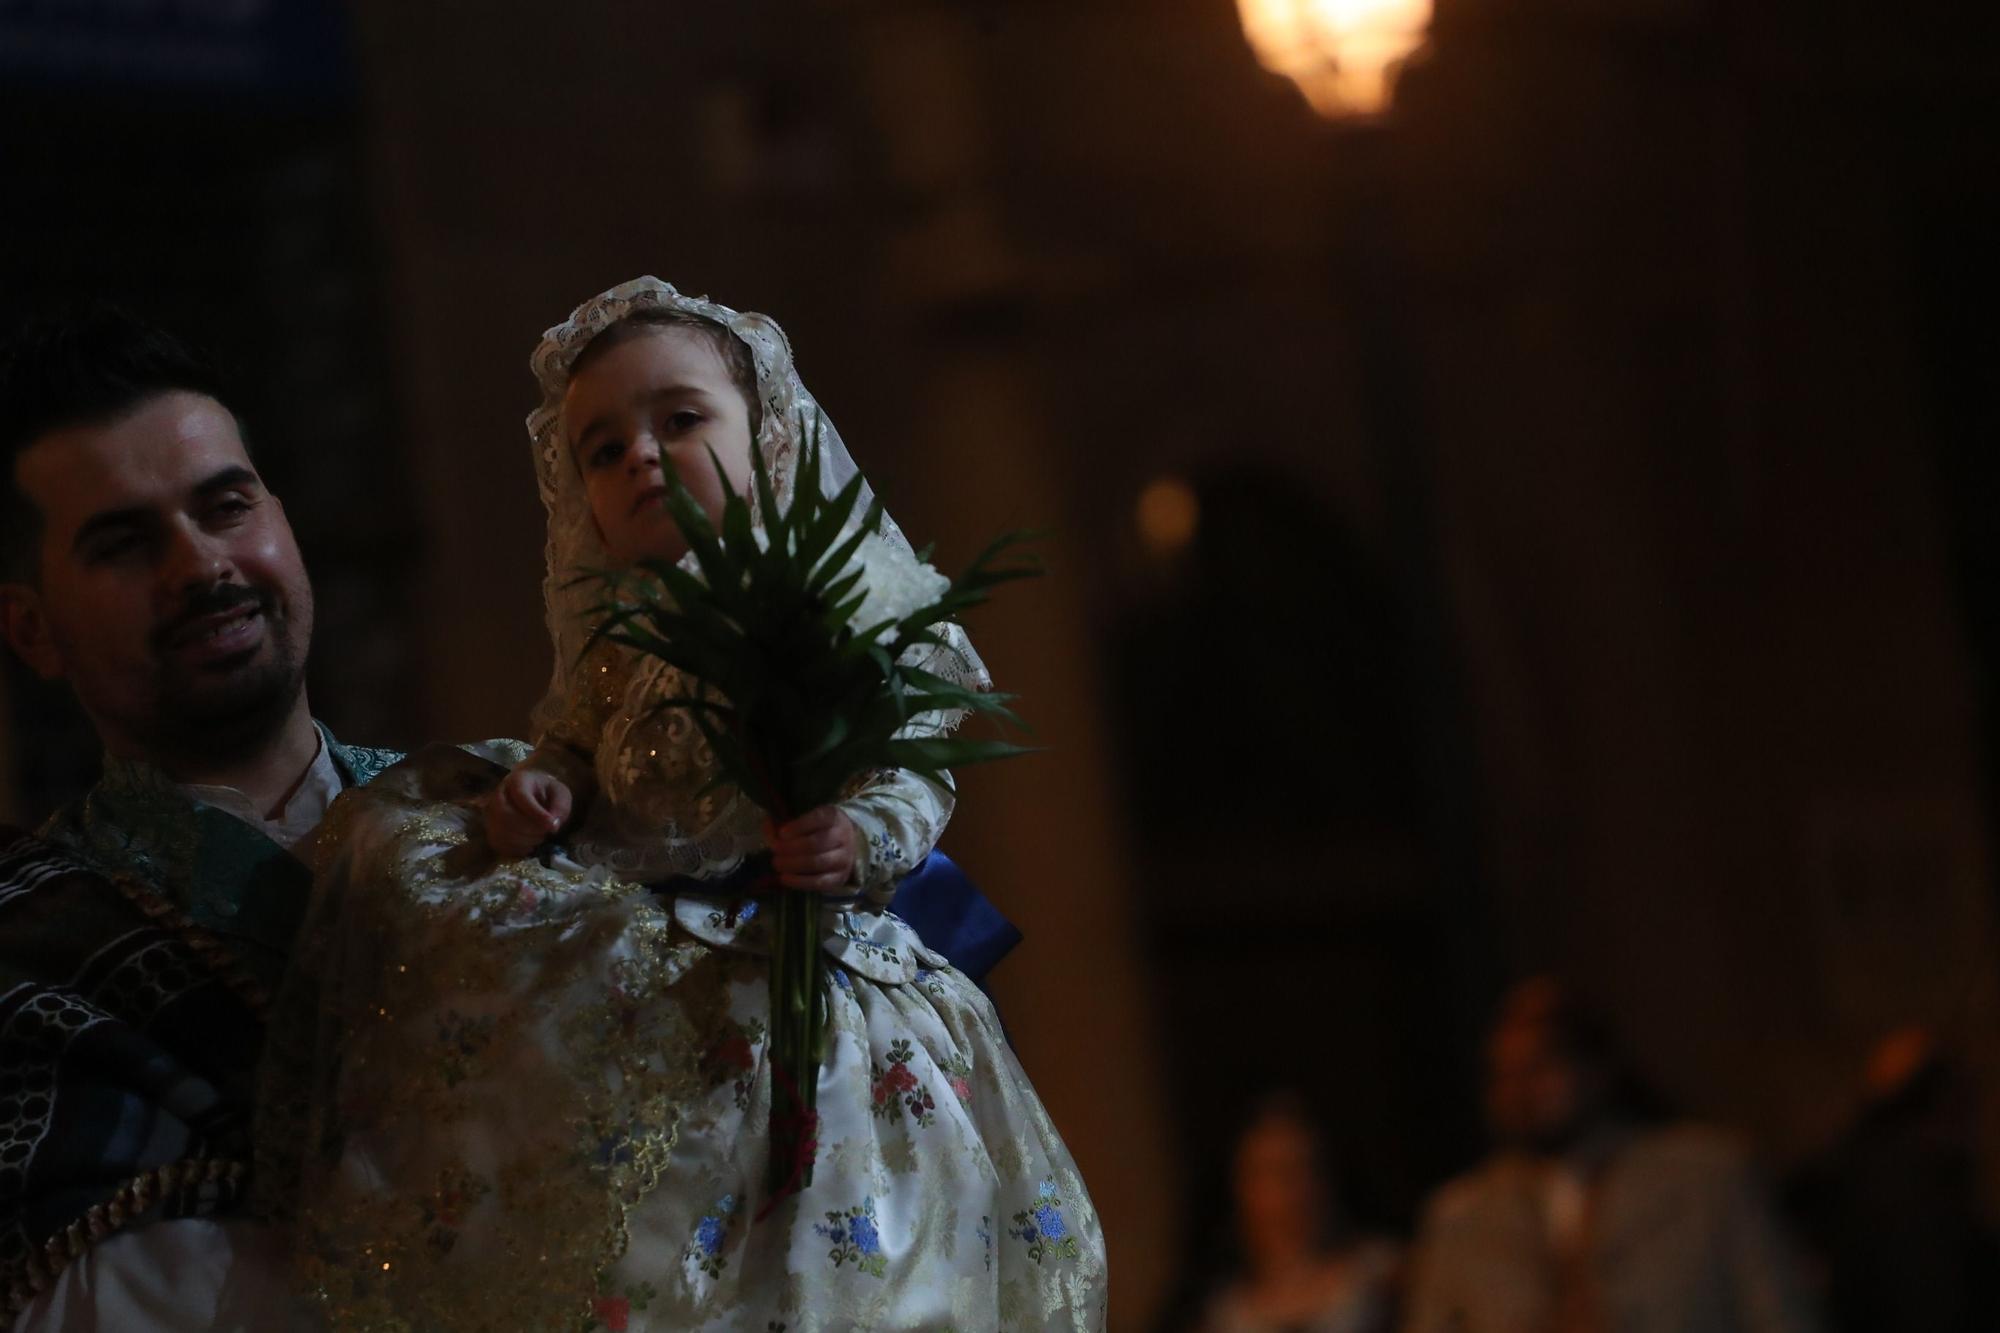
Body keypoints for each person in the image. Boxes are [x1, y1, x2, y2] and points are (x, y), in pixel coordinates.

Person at [260, 277, 1106, 1331]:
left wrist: (855, 838)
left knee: (836, 1250)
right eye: (603, 450)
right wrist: (546, 787)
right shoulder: (618, 640)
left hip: (812, 993)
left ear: (769, 434)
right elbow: (577, 743)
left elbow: (910, 769)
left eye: (680, 419)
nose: (641, 458)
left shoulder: (839, 607)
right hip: (646, 978)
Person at [0, 305, 417, 1330]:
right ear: (31, 629)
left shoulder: (492, 816)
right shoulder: (25, 956)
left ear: (281, 519)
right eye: (123, 544)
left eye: (225, 507)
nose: (200, 566)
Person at [1401, 979, 1820, 1333]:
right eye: (1505, 1074)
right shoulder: (1465, 1218)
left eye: (1541, 1067)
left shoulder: (1706, 1178)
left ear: (1595, 1069)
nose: (1522, 1093)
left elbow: (1780, 1315)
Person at [1195, 1094, 1399, 1333]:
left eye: (1306, 1168)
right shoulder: (1222, 1314)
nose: (1293, 1193)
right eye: (1273, 1173)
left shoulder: (1383, 1277)